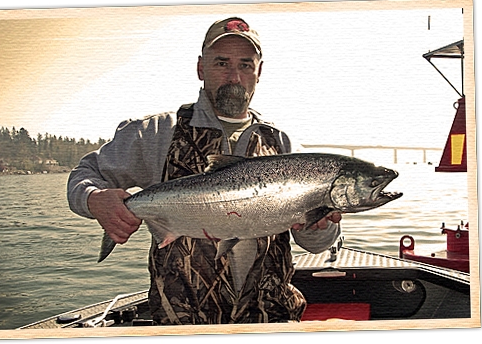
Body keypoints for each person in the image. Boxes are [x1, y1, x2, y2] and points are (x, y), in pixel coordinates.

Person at [67, 17, 341, 325]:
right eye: (222, 63)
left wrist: (320, 228)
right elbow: (84, 174)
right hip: (183, 324)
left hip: (271, 319)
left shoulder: (283, 145)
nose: (234, 77)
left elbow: (317, 245)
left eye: (246, 65)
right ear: (201, 68)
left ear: (259, 72)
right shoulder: (156, 133)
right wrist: (94, 199)